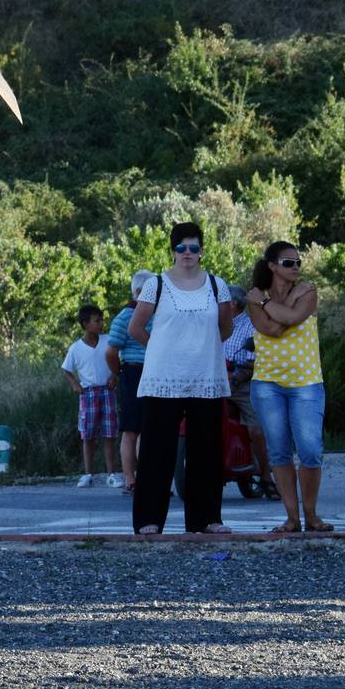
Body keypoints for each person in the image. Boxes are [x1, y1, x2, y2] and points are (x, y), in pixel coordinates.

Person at [128, 222, 234, 534]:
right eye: (181, 247)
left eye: (194, 247)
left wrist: (204, 348)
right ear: (173, 251)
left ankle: (207, 519)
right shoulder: (156, 285)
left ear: (201, 251)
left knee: (206, 451)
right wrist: (161, 347)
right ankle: (149, 520)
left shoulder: (217, 285)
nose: (187, 253)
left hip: (206, 376)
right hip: (164, 378)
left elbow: (225, 327)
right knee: (156, 452)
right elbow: (136, 327)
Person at [246, 241, 331, 533]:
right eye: (288, 263)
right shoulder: (253, 299)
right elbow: (272, 329)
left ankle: (312, 515)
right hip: (267, 384)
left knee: (310, 451)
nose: (295, 267)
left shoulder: (306, 291)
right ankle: (292, 518)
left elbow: (292, 319)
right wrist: (278, 308)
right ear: (271, 266)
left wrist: (267, 304)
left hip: (306, 383)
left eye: (298, 262)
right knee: (279, 453)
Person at [222, 289, 276, 498]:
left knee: (256, 429)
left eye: (223, 300)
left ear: (233, 303)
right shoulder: (217, 324)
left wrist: (240, 375)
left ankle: (266, 477)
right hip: (217, 382)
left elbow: (261, 357)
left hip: (242, 385)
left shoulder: (251, 325)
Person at [62, 303, 121, 488]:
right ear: (85, 323)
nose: (101, 323)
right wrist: (75, 384)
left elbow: (119, 360)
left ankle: (111, 473)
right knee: (88, 435)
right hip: (88, 393)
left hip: (107, 390)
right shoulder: (76, 348)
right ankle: (88, 474)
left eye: (101, 320)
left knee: (109, 433)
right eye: (97, 320)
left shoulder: (108, 341)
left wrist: (115, 375)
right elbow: (66, 369)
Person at [105, 270, 153, 493]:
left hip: (154, 373)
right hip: (133, 373)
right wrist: (118, 372)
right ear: (138, 292)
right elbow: (111, 352)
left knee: (148, 428)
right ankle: (129, 479)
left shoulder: (158, 313)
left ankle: (146, 478)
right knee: (131, 429)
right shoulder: (125, 316)